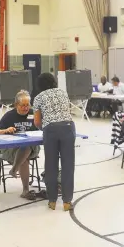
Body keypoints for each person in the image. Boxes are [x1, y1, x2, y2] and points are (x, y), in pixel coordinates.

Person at [33, 73, 76, 211]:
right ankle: (67, 202)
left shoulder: (38, 98)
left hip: (50, 130)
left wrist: (46, 128)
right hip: (68, 128)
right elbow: (66, 112)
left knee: (51, 165)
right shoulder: (63, 93)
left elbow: (37, 121)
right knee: (68, 166)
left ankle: (52, 201)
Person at [0, 90, 40, 200]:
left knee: (26, 147)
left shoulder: (33, 114)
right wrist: (6, 130)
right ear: (16, 105)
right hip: (11, 148)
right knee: (25, 153)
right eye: (22, 105)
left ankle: (14, 169)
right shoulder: (9, 116)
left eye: (27, 105)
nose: (26, 108)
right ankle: (25, 190)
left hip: (32, 147)